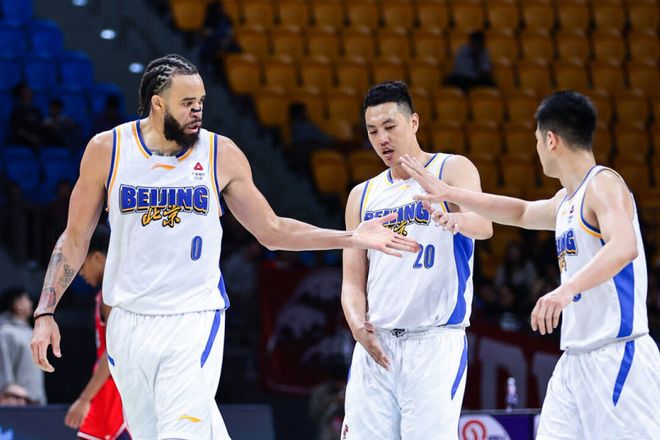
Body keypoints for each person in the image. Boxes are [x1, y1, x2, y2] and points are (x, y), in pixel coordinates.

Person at [29, 54, 418, 440]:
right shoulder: (108, 149)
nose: (198, 111)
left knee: (182, 435)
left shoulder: (220, 153)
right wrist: (46, 310)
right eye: (187, 103)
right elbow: (74, 238)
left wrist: (352, 237)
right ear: (158, 104)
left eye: (201, 101)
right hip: (127, 321)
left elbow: (272, 230)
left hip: (192, 318)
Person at [401, 90, 660, 439]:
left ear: (551, 140)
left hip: (617, 353)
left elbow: (624, 246)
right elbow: (521, 212)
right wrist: (450, 193)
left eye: (537, 140)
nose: (536, 149)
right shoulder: (567, 200)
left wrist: (565, 290)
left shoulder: (604, 184)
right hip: (575, 359)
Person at [340, 81, 492, 439]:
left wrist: (451, 218)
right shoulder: (362, 195)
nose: (382, 139)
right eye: (372, 131)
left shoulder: (452, 169)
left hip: (434, 343)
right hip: (376, 345)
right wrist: (356, 325)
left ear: (414, 123)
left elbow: (484, 225)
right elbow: (351, 280)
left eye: (390, 126)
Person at [64, 226, 130, 440]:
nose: (81, 273)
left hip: (116, 389)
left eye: (82, 266)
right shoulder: (106, 293)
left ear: (98, 258)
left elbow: (113, 352)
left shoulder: (113, 294)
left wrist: (85, 399)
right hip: (107, 385)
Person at [0, 287, 46, 405]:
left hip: (34, 402)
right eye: (26, 299)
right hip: (16, 404)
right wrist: (7, 389)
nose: (30, 303)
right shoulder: (6, 332)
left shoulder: (29, 331)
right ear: (17, 305)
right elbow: (4, 367)